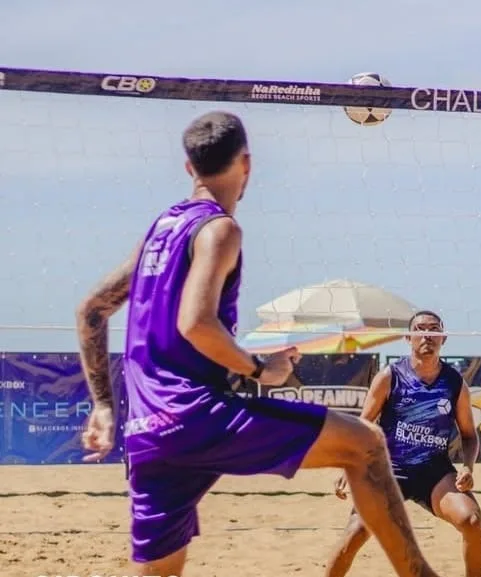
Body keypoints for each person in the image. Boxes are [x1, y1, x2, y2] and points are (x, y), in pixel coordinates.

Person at [74, 111, 442, 577]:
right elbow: (195, 323)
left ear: (189, 168)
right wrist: (260, 369)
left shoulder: (158, 232)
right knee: (366, 445)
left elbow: (91, 309)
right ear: (246, 163)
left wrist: (105, 406)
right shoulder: (219, 229)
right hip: (196, 417)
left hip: (147, 432)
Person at [325, 310, 481, 577]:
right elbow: (363, 425)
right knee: (354, 535)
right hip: (389, 471)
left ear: (443, 338)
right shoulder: (390, 376)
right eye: (420, 329)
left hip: (434, 472)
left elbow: (469, 436)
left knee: (471, 520)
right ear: (408, 337)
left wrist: (468, 467)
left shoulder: (454, 382)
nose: (427, 335)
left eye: (433, 329)